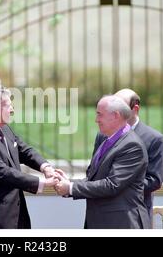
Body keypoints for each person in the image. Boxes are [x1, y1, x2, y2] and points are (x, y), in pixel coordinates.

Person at [0, 84, 59, 229]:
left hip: (17, 218)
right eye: (8, 106)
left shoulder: (3, 128)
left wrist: (45, 167)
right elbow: (3, 172)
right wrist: (42, 183)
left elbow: (24, 150)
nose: (12, 110)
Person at [54, 95, 151, 229]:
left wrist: (70, 188)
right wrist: (69, 183)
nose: (96, 120)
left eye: (100, 115)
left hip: (121, 224)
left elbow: (112, 185)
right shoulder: (108, 140)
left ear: (115, 115)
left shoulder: (132, 145)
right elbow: (95, 179)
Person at [94, 89, 163, 221]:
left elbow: (154, 180)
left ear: (135, 109)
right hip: (101, 212)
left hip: (133, 215)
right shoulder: (102, 135)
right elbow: (95, 171)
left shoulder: (154, 139)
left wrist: (119, 186)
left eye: (121, 104)